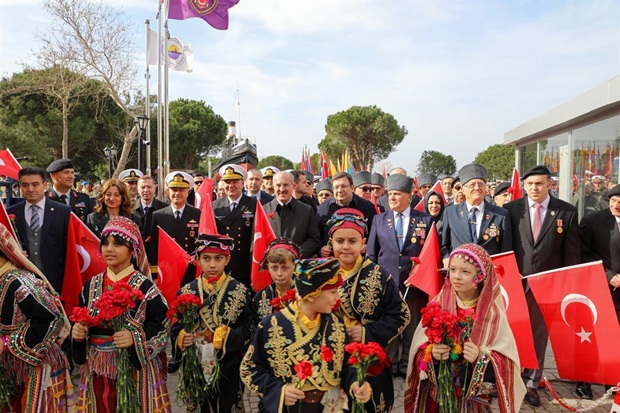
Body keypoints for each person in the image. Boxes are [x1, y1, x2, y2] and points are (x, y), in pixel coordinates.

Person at [404, 243, 526, 413]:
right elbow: (417, 351)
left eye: (465, 271)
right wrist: (431, 353)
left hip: (472, 403)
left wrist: (481, 358)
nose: (456, 276)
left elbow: (507, 363)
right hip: (436, 399)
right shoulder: (437, 305)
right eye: (452, 270)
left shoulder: (492, 315)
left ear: (481, 275)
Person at [240, 258, 372, 413]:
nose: (338, 298)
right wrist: (279, 391)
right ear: (311, 294)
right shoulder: (271, 324)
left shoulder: (336, 322)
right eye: (333, 292)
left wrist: (356, 383)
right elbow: (249, 368)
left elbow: (346, 365)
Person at [71, 217, 171, 412]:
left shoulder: (146, 287)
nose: (109, 249)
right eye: (105, 243)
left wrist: (134, 338)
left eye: (117, 244)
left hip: (135, 372)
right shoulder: (90, 285)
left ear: (132, 249)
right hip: (96, 370)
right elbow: (81, 320)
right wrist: (78, 334)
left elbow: (162, 324)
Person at [503, 165, 582, 405]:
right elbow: (506, 245)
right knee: (512, 331)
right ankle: (508, 377)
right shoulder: (510, 209)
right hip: (515, 282)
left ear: (550, 184)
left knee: (538, 335)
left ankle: (531, 383)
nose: (534, 188)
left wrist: (566, 284)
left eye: (539, 183)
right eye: (530, 184)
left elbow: (571, 252)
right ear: (524, 186)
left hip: (547, 285)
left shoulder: (565, 211)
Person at [329, 208, 410, 412]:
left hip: (367, 358)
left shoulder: (378, 274)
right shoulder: (322, 274)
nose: (345, 247)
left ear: (363, 244)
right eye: (340, 241)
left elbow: (401, 315)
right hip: (329, 359)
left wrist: (368, 332)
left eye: (352, 241)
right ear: (331, 242)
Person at [172, 234, 252, 412]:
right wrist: (181, 337)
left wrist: (229, 337)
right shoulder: (186, 291)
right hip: (195, 365)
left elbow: (249, 329)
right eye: (206, 259)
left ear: (228, 259)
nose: (212, 264)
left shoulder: (240, 291)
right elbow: (176, 326)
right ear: (198, 259)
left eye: (218, 258)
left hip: (228, 365)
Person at [0, 223, 76, 412]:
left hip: (37, 367)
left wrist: (7, 342)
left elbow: (52, 319)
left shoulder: (21, 282)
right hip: (9, 367)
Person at [366, 174, 433, 379]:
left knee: (411, 326)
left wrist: (418, 275)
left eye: (397, 194)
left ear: (409, 196)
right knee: (391, 324)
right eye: (390, 194)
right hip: (387, 284)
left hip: (413, 285)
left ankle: (407, 365)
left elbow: (429, 254)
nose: (392, 198)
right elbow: (372, 254)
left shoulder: (424, 219)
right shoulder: (379, 219)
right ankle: (391, 363)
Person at [8, 166, 71, 295]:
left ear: (45, 185)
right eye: (25, 185)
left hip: (55, 283)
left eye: (35, 184)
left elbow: (69, 249)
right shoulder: (11, 213)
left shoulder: (63, 211)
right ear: (20, 186)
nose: (30, 189)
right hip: (22, 285)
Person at [441, 163, 512, 266]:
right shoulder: (450, 212)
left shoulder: (501, 214)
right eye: (472, 185)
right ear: (463, 189)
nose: (477, 187)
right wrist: (446, 258)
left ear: (485, 188)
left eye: (481, 184)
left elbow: (506, 250)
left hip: (489, 273)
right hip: (460, 272)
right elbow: (444, 244)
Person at [148, 171, 201, 287]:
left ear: (188, 191)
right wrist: (155, 275)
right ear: (167, 192)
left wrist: (197, 256)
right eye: (174, 189)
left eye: (181, 190)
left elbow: (201, 241)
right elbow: (154, 247)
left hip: (190, 269)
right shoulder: (158, 215)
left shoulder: (197, 214)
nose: (177, 193)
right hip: (167, 270)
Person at [211, 164, 257, 289]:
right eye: (227, 182)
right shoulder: (215, 206)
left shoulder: (254, 204)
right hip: (222, 265)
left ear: (243, 183)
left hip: (245, 265)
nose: (231, 185)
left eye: (235, 181)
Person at [579, 183, 620, 322]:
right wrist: (608, 275)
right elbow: (582, 254)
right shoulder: (592, 222)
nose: (615, 206)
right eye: (613, 201)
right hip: (604, 291)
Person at [263, 171, 321, 258]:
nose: (282, 189)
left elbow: (313, 239)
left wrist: (295, 254)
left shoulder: (307, 210)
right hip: (271, 265)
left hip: (297, 264)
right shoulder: (263, 211)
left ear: (293, 186)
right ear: (273, 187)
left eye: (286, 185)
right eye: (278, 185)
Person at [317, 172, 377, 245]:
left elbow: (374, 233)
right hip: (330, 255)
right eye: (336, 187)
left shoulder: (367, 207)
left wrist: (367, 246)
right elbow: (316, 235)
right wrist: (321, 248)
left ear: (352, 188)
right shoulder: (322, 209)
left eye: (343, 186)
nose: (339, 190)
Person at [252, 238, 300, 324]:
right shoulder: (259, 298)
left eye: (285, 268)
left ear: (294, 266)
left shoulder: (304, 295)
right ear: (268, 266)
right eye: (274, 268)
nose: (279, 273)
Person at [46, 158, 92, 222]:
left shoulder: (83, 199)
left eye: (72, 172)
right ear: (53, 176)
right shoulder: (44, 199)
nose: (71, 176)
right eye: (66, 172)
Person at [134, 175, 167, 241]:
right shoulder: (130, 209)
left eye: (149, 187)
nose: (146, 190)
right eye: (143, 187)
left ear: (154, 189)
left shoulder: (164, 209)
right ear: (138, 190)